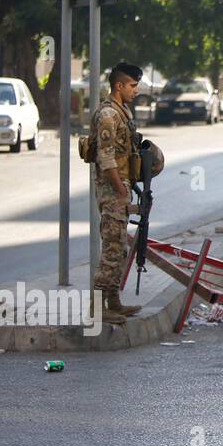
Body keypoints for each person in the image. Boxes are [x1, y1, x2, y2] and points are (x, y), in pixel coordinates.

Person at [90, 62, 145, 326]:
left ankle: (114, 303)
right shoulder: (108, 115)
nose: (136, 90)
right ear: (119, 86)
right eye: (133, 86)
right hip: (112, 191)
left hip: (121, 187)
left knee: (120, 247)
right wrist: (122, 191)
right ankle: (97, 309)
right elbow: (106, 159)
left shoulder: (122, 111)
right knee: (112, 249)